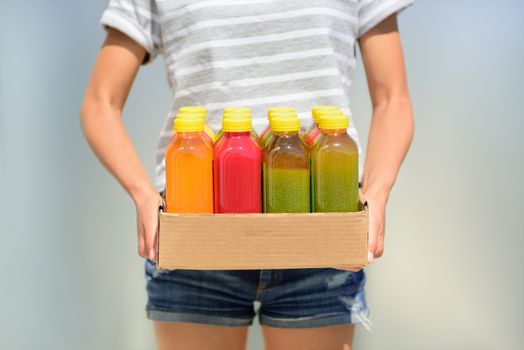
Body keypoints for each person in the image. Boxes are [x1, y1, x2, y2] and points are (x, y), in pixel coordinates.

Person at [81, 0, 414, 349]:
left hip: (320, 236)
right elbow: (99, 103)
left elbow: (393, 99)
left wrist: (376, 193)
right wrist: (143, 195)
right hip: (195, 236)